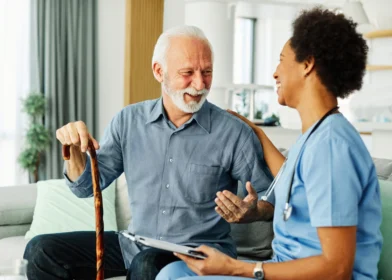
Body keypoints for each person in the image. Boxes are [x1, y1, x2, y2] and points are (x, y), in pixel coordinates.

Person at [23, 25, 274, 280]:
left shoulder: (234, 132)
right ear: (159, 71)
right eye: (187, 72)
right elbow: (86, 188)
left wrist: (254, 211)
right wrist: (75, 153)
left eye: (207, 72)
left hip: (198, 254)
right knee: (41, 250)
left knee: (147, 264)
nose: (200, 84)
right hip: (133, 245)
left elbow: (272, 197)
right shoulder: (128, 121)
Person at [157, 7, 383, 280]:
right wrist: (256, 132)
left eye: (281, 60)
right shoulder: (317, 135)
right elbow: (293, 177)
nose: (275, 73)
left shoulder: (332, 145)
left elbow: (337, 269)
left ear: (307, 64)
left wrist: (235, 268)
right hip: (284, 267)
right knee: (173, 272)